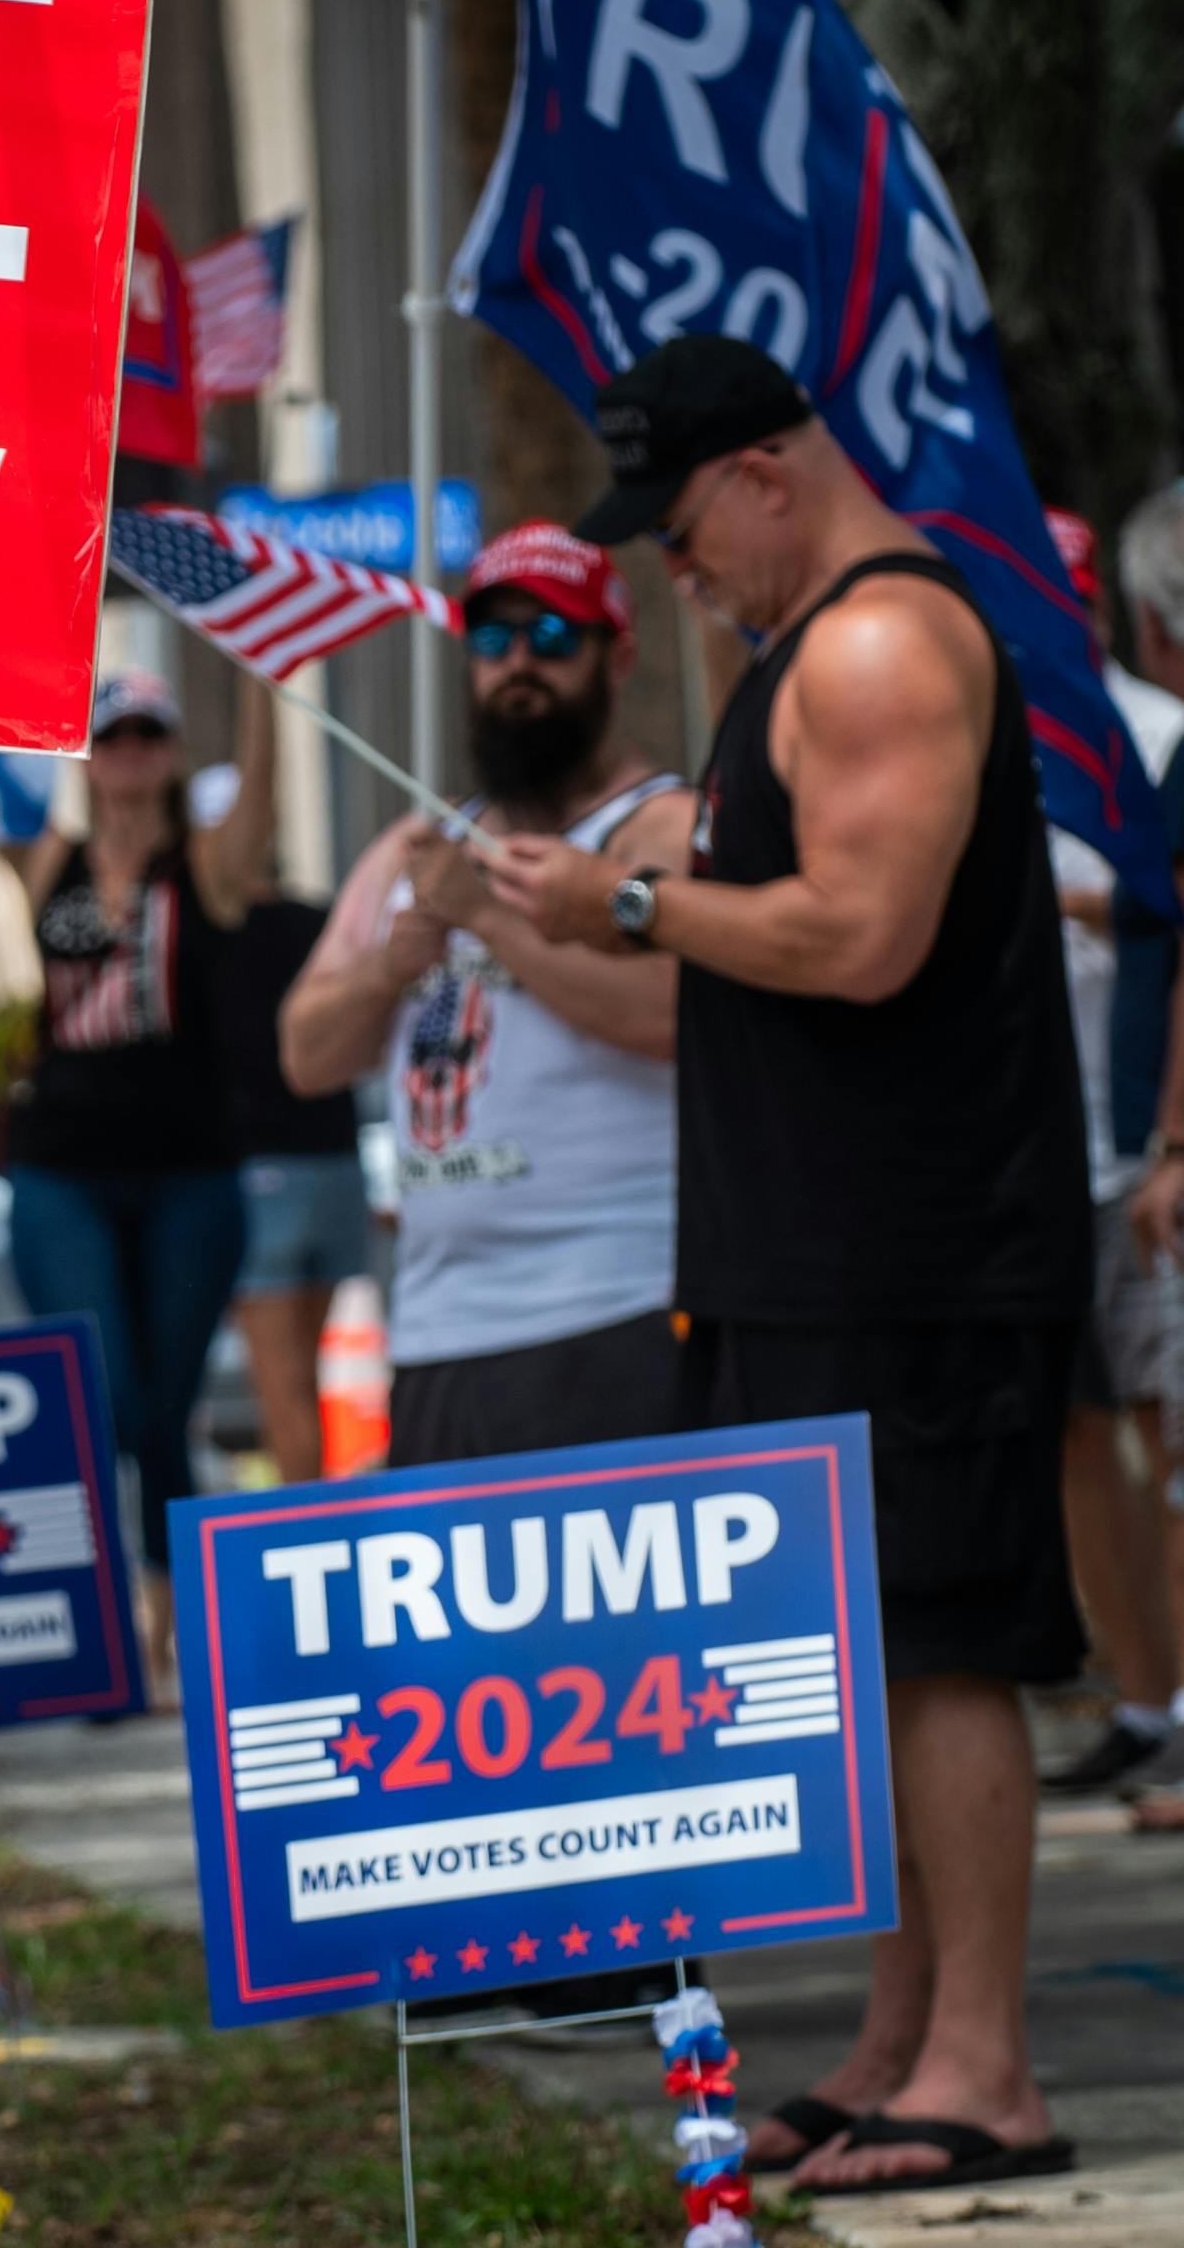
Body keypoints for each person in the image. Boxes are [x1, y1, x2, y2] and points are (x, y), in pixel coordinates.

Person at [489, 334, 1085, 2198]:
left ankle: (985, 2067)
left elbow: (861, 937)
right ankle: (898, 2037)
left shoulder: (877, 641)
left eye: (676, 531)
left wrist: (631, 898)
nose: (673, 574)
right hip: (802, 1242)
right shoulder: (795, 657)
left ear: (761, 474)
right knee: (852, 1656)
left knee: (936, 1648)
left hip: (911, 1244)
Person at [280, 522, 690, 1464]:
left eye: (552, 640)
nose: (518, 667)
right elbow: (304, 1052)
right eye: (493, 641)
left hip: (614, 1306)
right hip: (438, 1333)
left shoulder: (656, 827)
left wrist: (490, 917)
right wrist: (391, 961)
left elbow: (667, 1015)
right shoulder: (417, 849)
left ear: (615, 655)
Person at [1, 670, 274, 1694]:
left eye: (143, 736)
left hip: (189, 1172)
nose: (124, 753)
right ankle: (131, 1606)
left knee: (164, 1397)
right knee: (104, 1389)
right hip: (60, 1164)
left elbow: (257, 811)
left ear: (167, 751)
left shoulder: (198, 864)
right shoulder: (48, 861)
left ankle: (165, 1610)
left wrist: (260, 684)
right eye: (107, 735)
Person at [1032, 509, 1184, 1800]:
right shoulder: (971, 728)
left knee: (1165, 1426)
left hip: (1138, 1142)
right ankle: (1142, 1698)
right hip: (1037, 1156)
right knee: (1082, 1435)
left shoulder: (1148, 732)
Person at [209, 785, 371, 1486]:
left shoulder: (215, 934)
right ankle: (320, 1532)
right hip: (337, 1167)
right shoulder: (320, 921)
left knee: (285, 1394)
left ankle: (310, 1549)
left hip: (265, 1174)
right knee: (305, 1379)